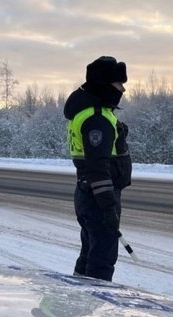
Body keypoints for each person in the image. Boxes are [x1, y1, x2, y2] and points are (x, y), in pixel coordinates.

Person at [63, 56, 132, 281]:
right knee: (102, 258)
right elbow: (97, 166)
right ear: (104, 85)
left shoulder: (91, 113)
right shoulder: (97, 118)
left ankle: (74, 299)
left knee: (89, 251)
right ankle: (92, 299)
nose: (122, 89)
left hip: (86, 191)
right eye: (118, 84)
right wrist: (108, 207)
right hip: (98, 195)